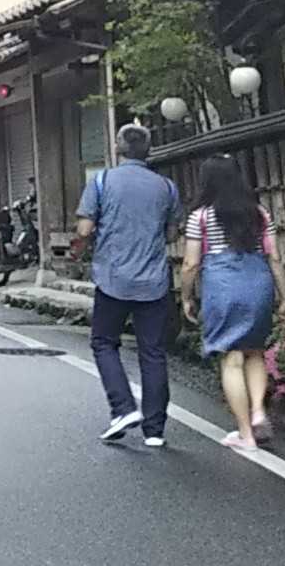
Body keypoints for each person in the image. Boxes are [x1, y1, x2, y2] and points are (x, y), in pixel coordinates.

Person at [180, 155, 285, 452]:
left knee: (231, 357)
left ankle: (246, 434)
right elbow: (274, 258)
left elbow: (191, 263)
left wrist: (186, 297)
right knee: (255, 351)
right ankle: (258, 411)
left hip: (223, 287)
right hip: (259, 283)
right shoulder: (259, 214)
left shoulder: (200, 217)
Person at [77, 123, 182, 447]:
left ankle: (123, 408)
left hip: (113, 278)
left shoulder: (101, 181)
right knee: (153, 352)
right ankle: (155, 430)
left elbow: (84, 229)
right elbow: (172, 233)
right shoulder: (166, 187)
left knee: (104, 343)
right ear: (148, 151)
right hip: (153, 281)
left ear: (117, 148)